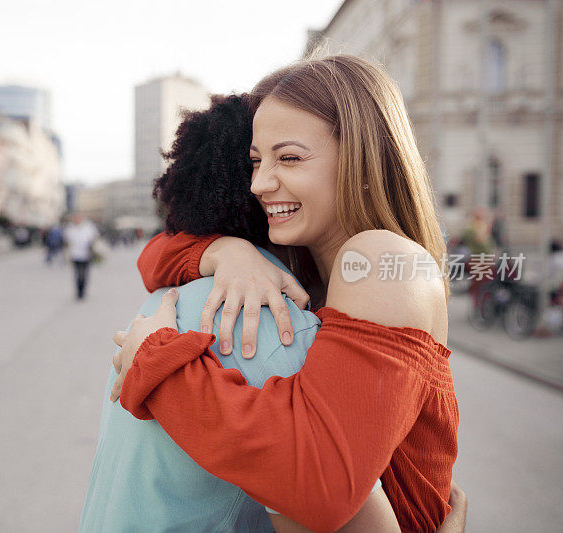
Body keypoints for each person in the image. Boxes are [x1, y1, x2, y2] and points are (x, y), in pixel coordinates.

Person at [84, 93, 466, 532]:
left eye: (288, 158)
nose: (259, 183)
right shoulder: (271, 294)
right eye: (253, 161)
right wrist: (224, 250)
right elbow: (156, 254)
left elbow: (321, 485)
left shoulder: (372, 262)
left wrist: (156, 361)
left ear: (362, 162)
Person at [63, 213, 98, 300]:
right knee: (77, 273)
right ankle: (78, 291)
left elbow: (95, 237)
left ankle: (83, 290)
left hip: (87, 254)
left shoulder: (89, 227)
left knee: (84, 274)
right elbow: (66, 240)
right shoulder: (70, 229)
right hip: (74, 254)